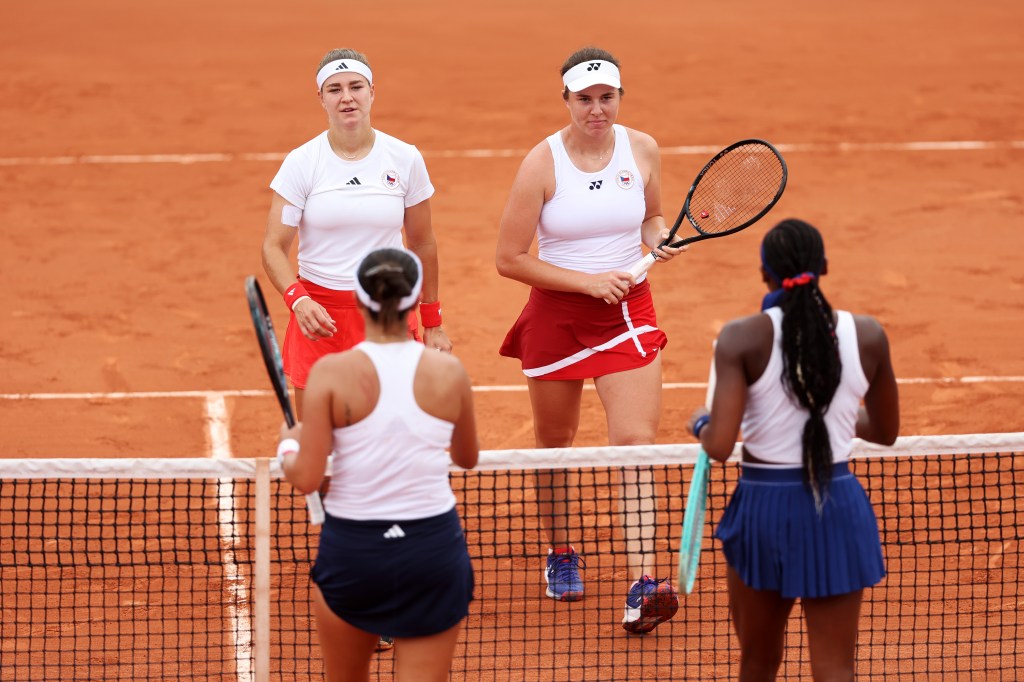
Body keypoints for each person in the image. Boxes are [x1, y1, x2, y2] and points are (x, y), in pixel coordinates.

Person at [494, 45, 684, 634]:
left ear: (619, 98)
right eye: (585, 99)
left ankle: (643, 582)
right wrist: (585, 282)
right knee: (557, 444)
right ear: (567, 101)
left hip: (628, 311)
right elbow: (509, 259)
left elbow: (651, 218)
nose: (597, 109)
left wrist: (662, 237)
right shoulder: (541, 164)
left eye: (607, 98)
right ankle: (560, 552)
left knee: (634, 444)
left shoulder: (643, 148)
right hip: (557, 316)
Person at [688, 218, 900, 680]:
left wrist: (701, 422)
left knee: (759, 664)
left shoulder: (741, 337)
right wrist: (836, 418)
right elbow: (885, 431)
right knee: (835, 666)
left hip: (765, 510)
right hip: (839, 507)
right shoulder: (868, 335)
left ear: (764, 274)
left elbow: (720, 445)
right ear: (823, 266)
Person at [277, 247, 479, 682]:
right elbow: (466, 458)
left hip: (355, 552)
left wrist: (288, 448)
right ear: (413, 301)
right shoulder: (450, 373)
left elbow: (308, 477)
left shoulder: (331, 373)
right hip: (433, 550)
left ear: (359, 298)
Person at [262, 47, 452, 419]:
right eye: (334, 89)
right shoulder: (301, 163)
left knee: (393, 437)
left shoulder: (405, 158)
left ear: (372, 92)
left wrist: (433, 322)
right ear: (321, 98)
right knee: (320, 455)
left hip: (389, 315)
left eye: (356, 87)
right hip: (320, 319)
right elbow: (273, 246)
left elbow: (422, 243)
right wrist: (298, 300)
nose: (347, 97)